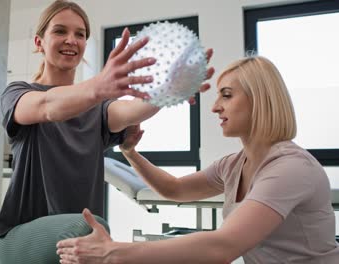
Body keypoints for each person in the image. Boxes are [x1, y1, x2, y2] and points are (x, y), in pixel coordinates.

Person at [56, 56, 339, 263]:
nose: (215, 107)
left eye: (227, 96)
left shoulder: (290, 168)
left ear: (261, 100)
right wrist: (130, 152)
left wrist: (113, 252)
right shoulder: (233, 164)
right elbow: (176, 189)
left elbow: (223, 247)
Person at [0, 0, 214, 263]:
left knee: (91, 237)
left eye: (80, 34)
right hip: (21, 237)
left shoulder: (97, 109)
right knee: (89, 232)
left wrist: (167, 90)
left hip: (81, 235)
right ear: (39, 42)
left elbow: (131, 111)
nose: (71, 40)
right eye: (60, 31)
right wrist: (99, 86)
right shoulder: (18, 93)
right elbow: (46, 107)